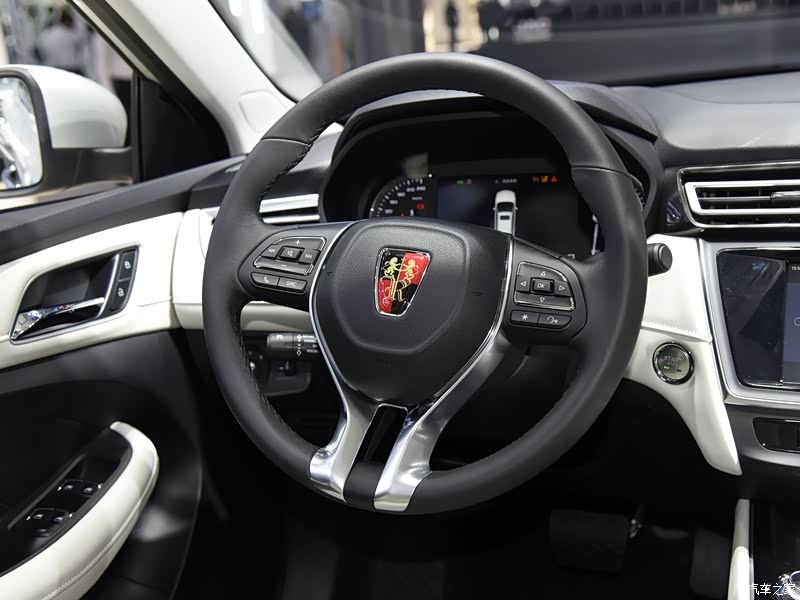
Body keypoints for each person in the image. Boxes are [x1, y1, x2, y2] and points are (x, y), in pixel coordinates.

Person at [37, 9, 88, 75]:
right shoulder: (70, 35)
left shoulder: (45, 34)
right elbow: (84, 36)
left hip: (52, 69)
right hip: (71, 69)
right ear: (67, 22)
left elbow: (39, 51)